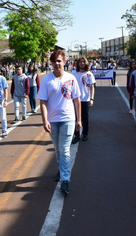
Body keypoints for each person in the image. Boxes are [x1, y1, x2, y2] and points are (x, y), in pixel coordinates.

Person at [38, 50, 81, 194]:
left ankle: (65, 180)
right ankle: (61, 171)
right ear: (51, 63)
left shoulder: (71, 78)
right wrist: (45, 120)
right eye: (54, 61)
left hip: (68, 119)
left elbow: (77, 100)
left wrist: (79, 120)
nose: (57, 64)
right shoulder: (46, 80)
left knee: (65, 149)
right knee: (57, 149)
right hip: (53, 120)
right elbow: (43, 101)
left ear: (64, 62)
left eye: (59, 61)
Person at [71, 56, 96, 144]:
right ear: (78, 63)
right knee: (76, 118)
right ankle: (76, 135)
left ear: (86, 63)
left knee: (85, 118)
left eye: (83, 62)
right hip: (75, 99)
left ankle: (85, 133)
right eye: (80, 62)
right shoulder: (74, 73)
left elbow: (92, 87)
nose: (82, 63)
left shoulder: (89, 74)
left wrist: (92, 98)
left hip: (85, 99)